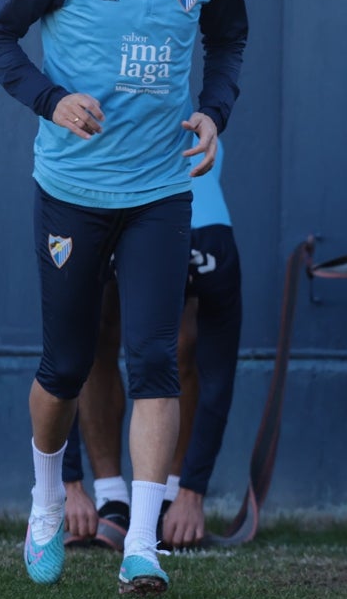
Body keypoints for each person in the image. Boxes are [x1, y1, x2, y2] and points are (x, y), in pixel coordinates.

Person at [0, 0, 248, 596]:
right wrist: (50, 98)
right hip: (72, 193)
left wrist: (214, 111)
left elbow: (229, 42)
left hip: (163, 191)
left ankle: (143, 549)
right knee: (63, 366)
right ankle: (46, 500)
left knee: (155, 361)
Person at [62, 138, 243, 552]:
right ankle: (112, 500)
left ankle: (168, 498)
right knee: (95, 339)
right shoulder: (100, 231)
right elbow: (64, 358)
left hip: (194, 226)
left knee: (182, 347)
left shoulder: (210, 246)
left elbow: (218, 373)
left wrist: (192, 493)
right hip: (105, 213)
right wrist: (68, 485)